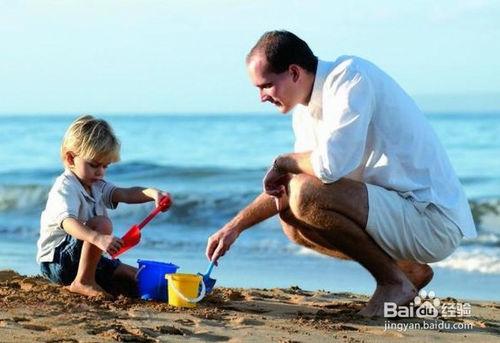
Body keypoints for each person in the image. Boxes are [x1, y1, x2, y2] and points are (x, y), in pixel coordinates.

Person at [206, 30, 476, 317]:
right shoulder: (304, 110)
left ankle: (392, 282)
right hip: (396, 212)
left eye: (267, 86)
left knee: (305, 194)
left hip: (430, 219)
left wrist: (283, 161)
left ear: (294, 72)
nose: (262, 97)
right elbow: (291, 184)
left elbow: (328, 167)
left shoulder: (350, 78)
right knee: (291, 219)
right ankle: (406, 271)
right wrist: (233, 227)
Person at [36, 115, 170, 298]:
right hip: (57, 262)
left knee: (133, 276)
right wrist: (97, 238)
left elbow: (126, 194)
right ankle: (82, 282)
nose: (100, 172)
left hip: (82, 259)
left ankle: (96, 278)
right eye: (94, 165)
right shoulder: (65, 187)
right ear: (70, 158)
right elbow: (67, 222)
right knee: (103, 223)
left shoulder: (97, 184)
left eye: (105, 166)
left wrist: (152, 193)